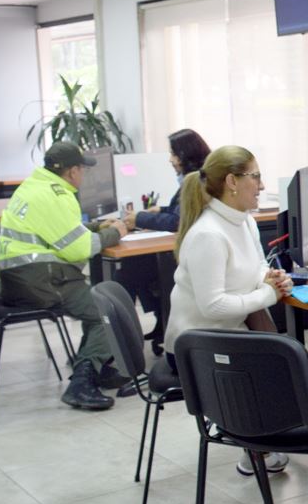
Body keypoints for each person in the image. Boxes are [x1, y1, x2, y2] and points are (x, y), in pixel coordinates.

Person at [166, 144, 294, 476]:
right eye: (256, 177)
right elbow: (213, 306)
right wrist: (267, 295)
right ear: (232, 182)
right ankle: (256, 444)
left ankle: (267, 438)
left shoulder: (244, 222)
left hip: (228, 332)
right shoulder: (208, 234)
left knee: (286, 359)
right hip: (197, 346)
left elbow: (253, 268)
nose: (261, 186)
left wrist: (270, 278)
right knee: (279, 363)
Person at [0, 141, 130, 411]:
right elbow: (79, 248)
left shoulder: (34, 185)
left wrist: (94, 226)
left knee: (94, 303)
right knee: (106, 312)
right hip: (40, 281)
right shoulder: (56, 196)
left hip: (20, 278)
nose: (84, 175)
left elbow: (57, 231)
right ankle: (81, 383)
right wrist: (115, 232)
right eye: (82, 169)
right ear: (72, 171)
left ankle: (95, 365)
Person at [119, 128, 211, 351]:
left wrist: (139, 218)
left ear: (185, 155)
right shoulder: (193, 178)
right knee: (134, 266)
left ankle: (125, 338)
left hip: (187, 254)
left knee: (131, 271)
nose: (170, 159)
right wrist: (161, 209)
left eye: (173, 154)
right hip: (183, 250)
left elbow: (177, 221)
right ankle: (160, 321)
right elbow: (180, 210)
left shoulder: (195, 180)